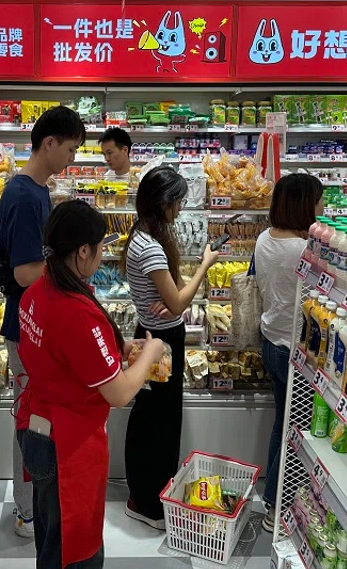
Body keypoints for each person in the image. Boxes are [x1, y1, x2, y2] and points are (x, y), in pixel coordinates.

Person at [17, 200, 166, 569]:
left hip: (36, 427)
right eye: (101, 247)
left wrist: (119, 349)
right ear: (83, 251)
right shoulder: (77, 311)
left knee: (52, 538)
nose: (103, 255)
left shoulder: (37, 290)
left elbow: (62, 356)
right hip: (68, 444)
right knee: (76, 549)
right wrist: (152, 352)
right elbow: (117, 393)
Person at [0, 106, 86, 538]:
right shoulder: (24, 195)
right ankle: (27, 511)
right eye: (69, 149)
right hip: (26, 329)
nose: (71, 158)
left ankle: (40, 500)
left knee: (41, 418)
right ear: (48, 143)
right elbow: (24, 272)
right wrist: (72, 269)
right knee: (30, 420)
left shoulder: (39, 189)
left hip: (39, 325)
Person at [120, 166, 220, 530]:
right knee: (159, 423)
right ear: (163, 203)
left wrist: (172, 293)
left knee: (150, 416)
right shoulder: (151, 246)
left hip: (152, 334)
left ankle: (145, 495)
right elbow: (177, 304)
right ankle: (147, 504)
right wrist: (204, 267)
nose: (180, 208)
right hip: (159, 344)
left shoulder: (144, 237)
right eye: (178, 202)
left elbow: (172, 295)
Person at [254, 173, 323, 532]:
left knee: (283, 425)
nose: (322, 207)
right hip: (294, 352)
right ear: (303, 205)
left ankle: (272, 501)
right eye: (318, 201)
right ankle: (280, 508)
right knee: (296, 431)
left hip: (271, 341)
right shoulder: (300, 250)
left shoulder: (265, 238)